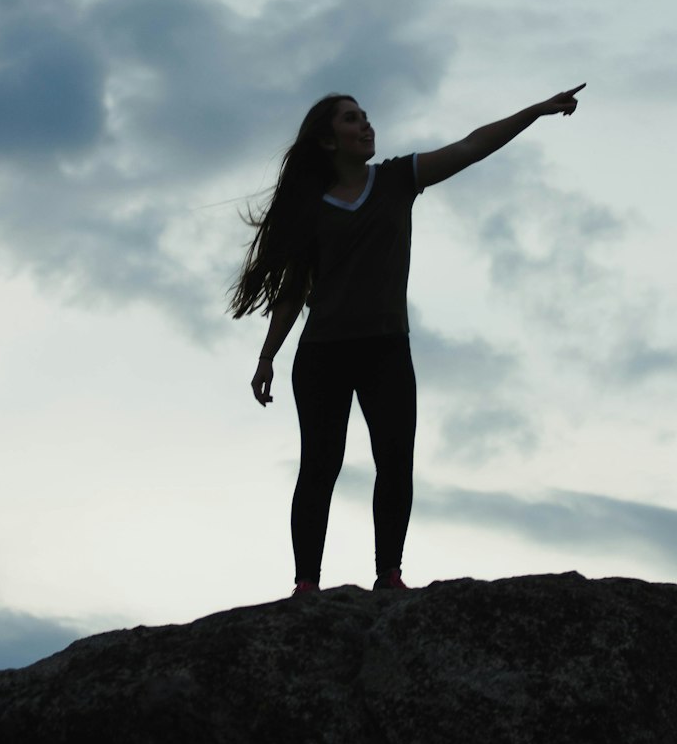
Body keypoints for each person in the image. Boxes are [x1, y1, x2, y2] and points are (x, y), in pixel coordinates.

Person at [228, 85, 585, 596]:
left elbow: (471, 145)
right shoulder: (311, 208)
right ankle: (306, 583)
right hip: (322, 355)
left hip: (386, 348)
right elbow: (291, 290)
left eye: (366, 116)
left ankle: (388, 575)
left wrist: (536, 110)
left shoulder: (397, 179)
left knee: (395, 460)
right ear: (328, 141)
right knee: (319, 467)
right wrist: (266, 356)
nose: (365, 125)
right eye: (352, 119)